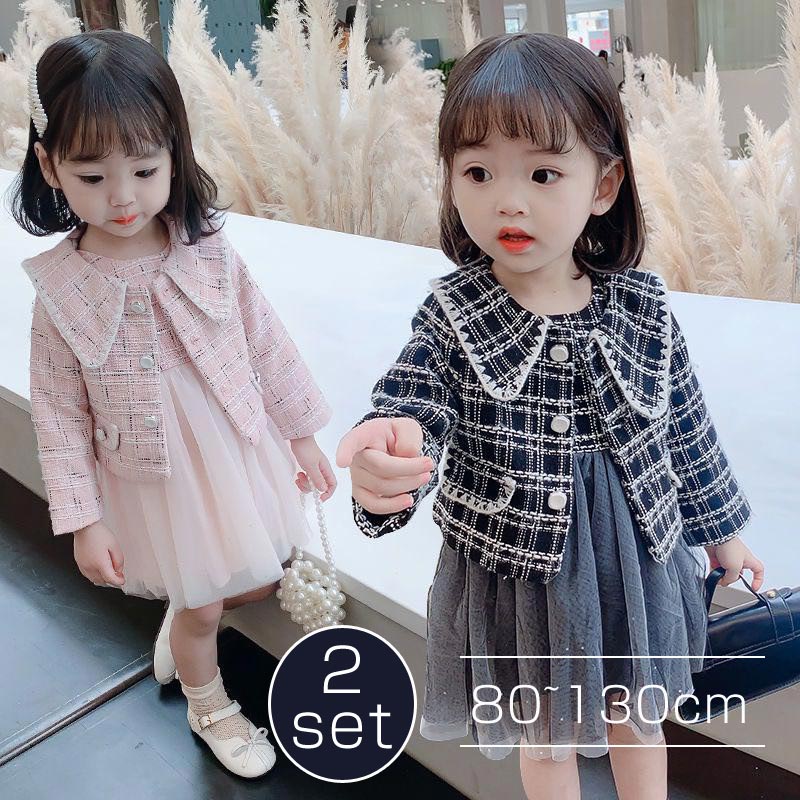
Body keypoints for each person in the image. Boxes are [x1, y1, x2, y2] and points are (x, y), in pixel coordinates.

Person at [336, 33, 763, 800]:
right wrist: (388, 457)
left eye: (542, 173)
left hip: (635, 557)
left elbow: (685, 428)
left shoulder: (641, 306)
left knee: (639, 720)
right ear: (450, 178)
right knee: (546, 733)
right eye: (478, 171)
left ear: (604, 184)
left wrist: (722, 533)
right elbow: (415, 401)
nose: (509, 200)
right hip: (521, 575)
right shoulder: (455, 316)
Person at [11, 30, 336, 779]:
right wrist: (84, 520)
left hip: (235, 444)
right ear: (51, 167)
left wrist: (302, 435)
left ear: (174, 154)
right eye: (92, 176)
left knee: (254, 575)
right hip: (153, 477)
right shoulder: (62, 290)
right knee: (202, 607)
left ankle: (187, 611)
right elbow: (58, 416)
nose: (122, 197)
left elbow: (263, 338)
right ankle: (208, 703)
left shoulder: (207, 246)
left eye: (144, 170)